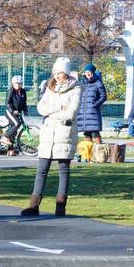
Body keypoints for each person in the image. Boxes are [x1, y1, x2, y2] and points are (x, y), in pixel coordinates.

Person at [21, 57, 80, 217]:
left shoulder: (76, 89)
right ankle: (34, 206)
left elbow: (71, 113)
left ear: (66, 72)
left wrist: (52, 112)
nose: (57, 76)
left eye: (60, 72)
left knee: (63, 169)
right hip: (48, 134)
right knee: (42, 170)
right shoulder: (50, 88)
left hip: (64, 134)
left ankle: (60, 207)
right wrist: (59, 107)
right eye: (55, 72)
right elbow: (41, 108)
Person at [76, 63, 108, 159]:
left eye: (89, 72)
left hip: (93, 112)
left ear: (93, 72)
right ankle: (87, 155)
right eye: (86, 72)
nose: (87, 74)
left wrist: (95, 105)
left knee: (95, 132)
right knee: (86, 133)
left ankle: (99, 155)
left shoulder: (98, 83)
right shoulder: (83, 83)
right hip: (83, 113)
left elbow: (103, 96)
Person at [3, 75, 29, 154]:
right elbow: (7, 103)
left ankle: (10, 150)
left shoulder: (23, 91)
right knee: (17, 123)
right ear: (13, 84)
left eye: (19, 83)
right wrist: (12, 110)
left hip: (17, 112)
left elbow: (24, 102)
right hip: (10, 112)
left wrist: (25, 110)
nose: (17, 85)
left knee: (13, 130)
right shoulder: (10, 91)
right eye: (16, 83)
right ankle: (5, 137)